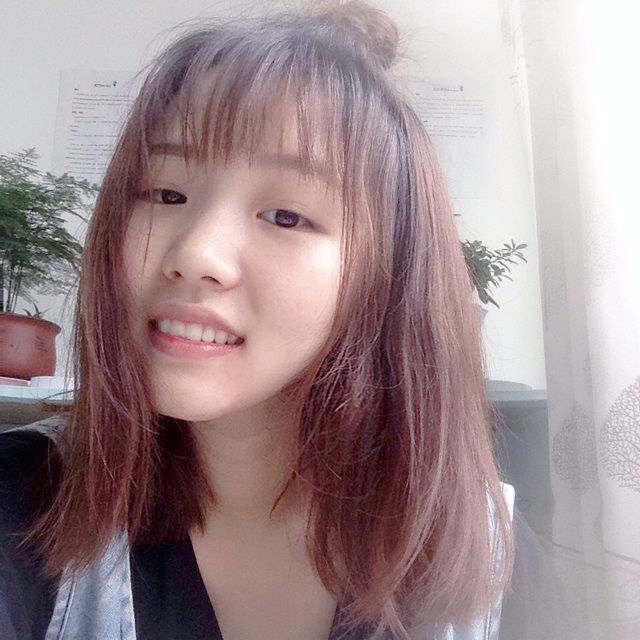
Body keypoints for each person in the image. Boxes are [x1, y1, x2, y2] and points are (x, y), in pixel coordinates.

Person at [0, 1, 514, 638]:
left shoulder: (484, 545)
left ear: (388, 276)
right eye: (166, 193)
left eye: (287, 216)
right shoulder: (22, 504)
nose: (195, 254)